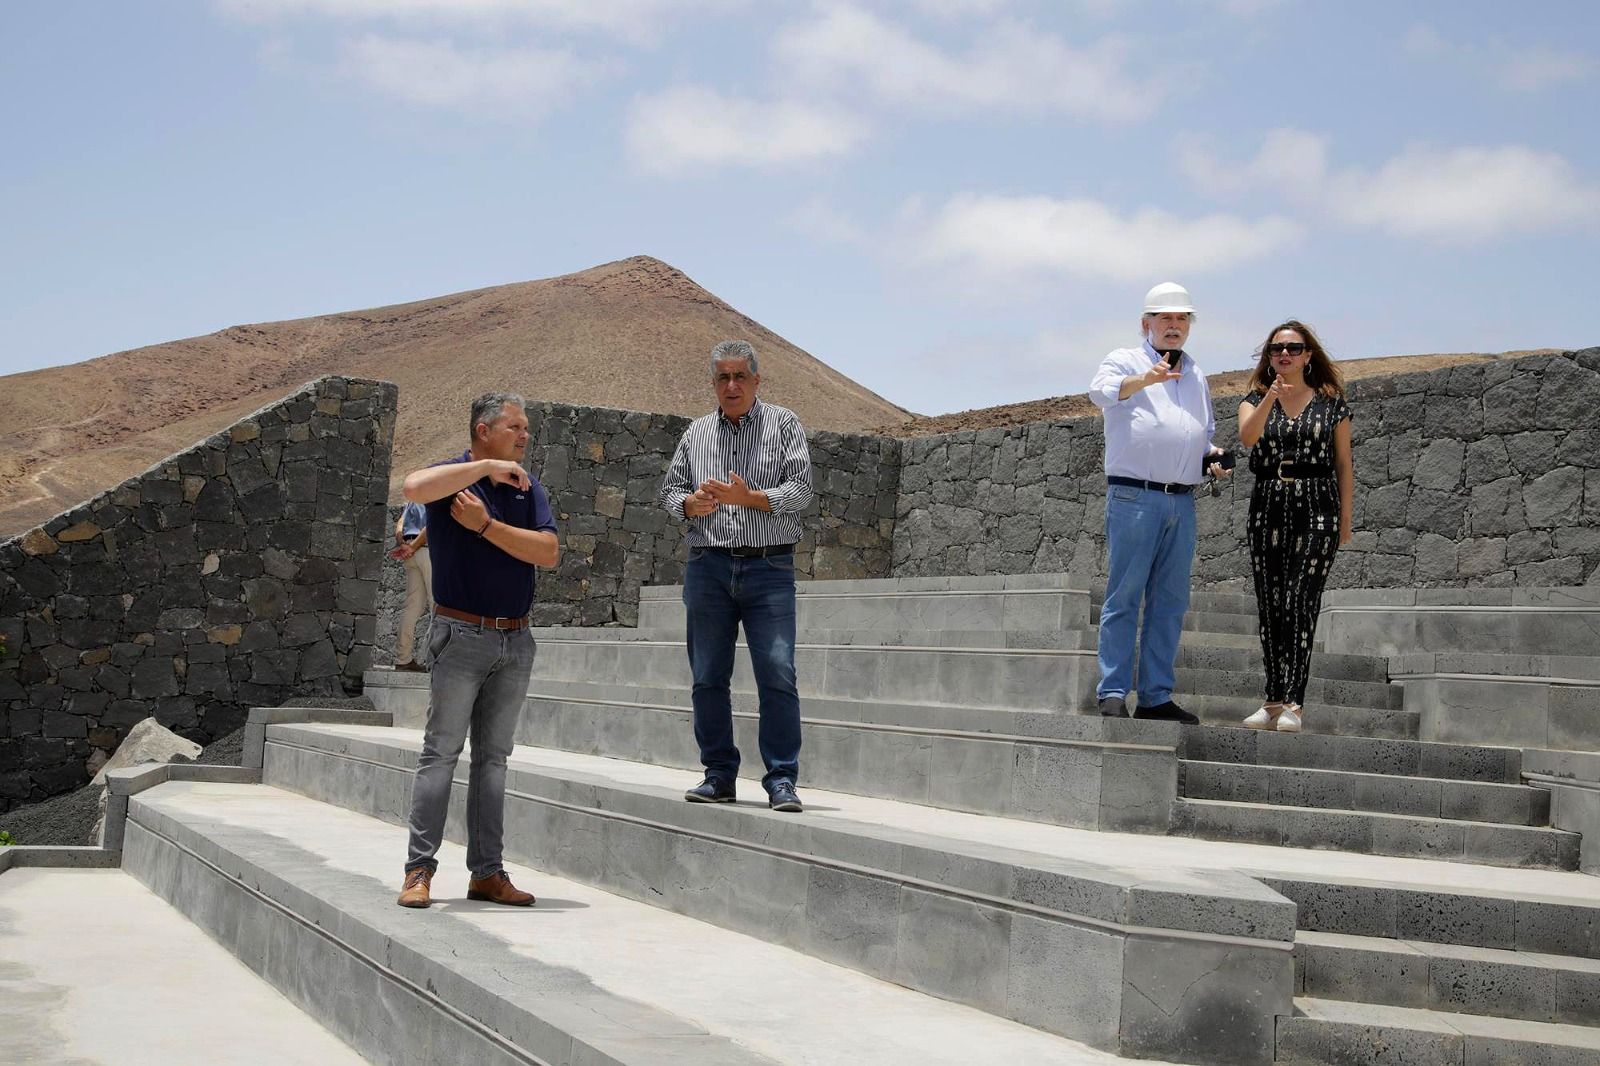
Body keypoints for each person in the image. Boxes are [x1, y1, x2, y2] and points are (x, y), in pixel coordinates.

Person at [396, 392, 559, 909]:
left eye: (526, 428)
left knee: (493, 761)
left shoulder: (527, 488)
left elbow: (548, 552)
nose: (524, 435)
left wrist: (486, 526)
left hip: (516, 639)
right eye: (514, 426)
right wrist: (484, 468)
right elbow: (413, 486)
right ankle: (418, 872)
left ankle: (487, 874)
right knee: (440, 755)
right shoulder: (453, 479)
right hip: (460, 636)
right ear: (483, 430)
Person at [659, 339, 814, 813]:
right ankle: (719, 774)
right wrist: (689, 504)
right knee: (707, 676)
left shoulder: (784, 424)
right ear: (713, 383)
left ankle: (782, 779)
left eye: (740, 376)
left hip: (768, 566)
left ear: (756, 381)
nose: (731, 385)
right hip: (708, 566)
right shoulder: (696, 432)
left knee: (778, 672)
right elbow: (671, 490)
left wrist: (751, 498)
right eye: (723, 377)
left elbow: (801, 489)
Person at [1088, 282, 1230, 725]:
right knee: (1125, 596)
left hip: (1181, 501)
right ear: (1145, 323)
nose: (1174, 325)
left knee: (1170, 602)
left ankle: (1154, 697)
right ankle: (1112, 691)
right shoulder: (1123, 360)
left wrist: (1212, 459)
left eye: (1181, 318)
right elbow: (1102, 392)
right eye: (1165, 318)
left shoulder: (1196, 374)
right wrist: (1145, 379)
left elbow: (1200, 434)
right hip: (1134, 495)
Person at [1236, 321, 1353, 733]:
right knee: (1271, 605)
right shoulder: (1253, 398)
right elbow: (1248, 438)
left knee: (1299, 601)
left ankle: (1294, 703)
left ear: (1308, 355)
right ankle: (1272, 700)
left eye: (1293, 348)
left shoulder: (1331, 403)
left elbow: (1343, 465)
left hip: (1318, 505)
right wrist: (1270, 396)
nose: (1284, 354)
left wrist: (1346, 520)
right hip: (1268, 502)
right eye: (1276, 349)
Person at [390, 500, 430, 671]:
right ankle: (436, 660)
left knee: (411, 608)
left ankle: (403, 659)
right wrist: (413, 547)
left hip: (411, 552)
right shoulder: (438, 493)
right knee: (439, 608)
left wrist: (403, 544)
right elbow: (433, 525)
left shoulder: (414, 499)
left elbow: (400, 524)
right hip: (428, 550)